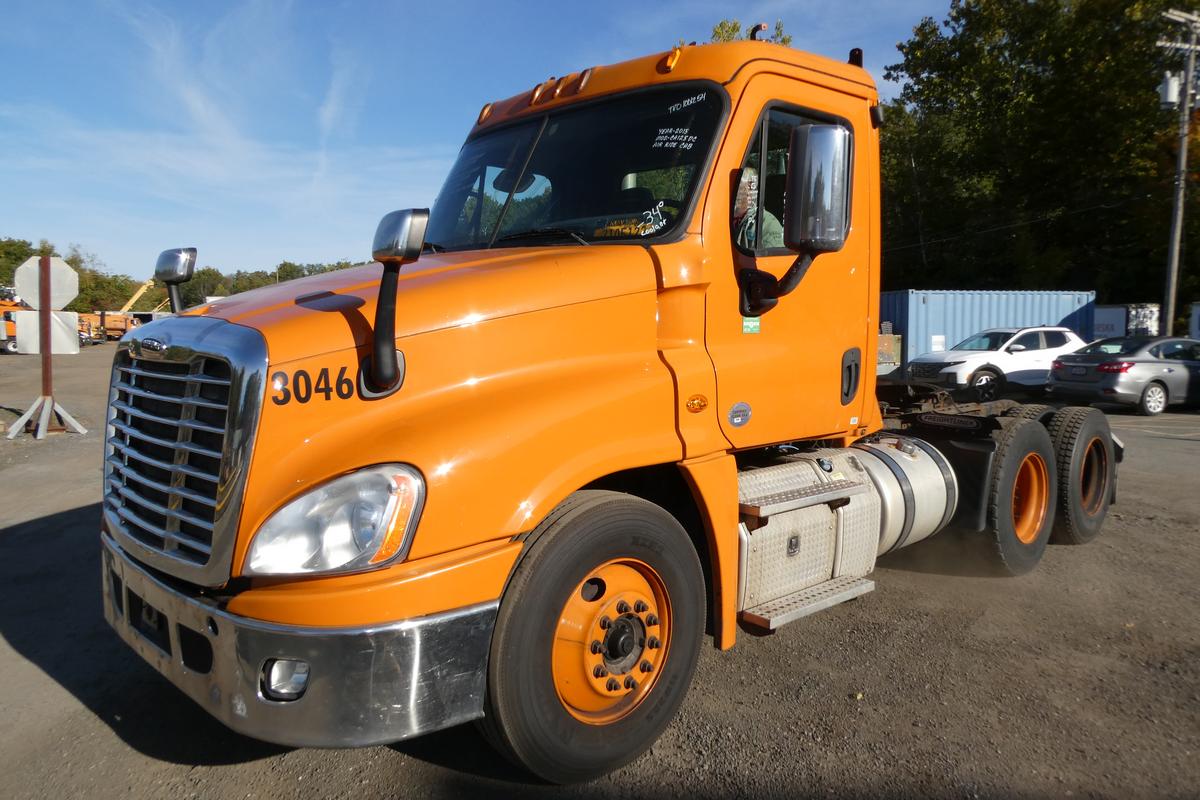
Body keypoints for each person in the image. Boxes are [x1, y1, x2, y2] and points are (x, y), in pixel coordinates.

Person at [732, 166, 784, 250]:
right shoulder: (725, 219)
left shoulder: (766, 224)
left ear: (750, 190)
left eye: (738, 188)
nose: (731, 192)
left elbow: (774, 257)